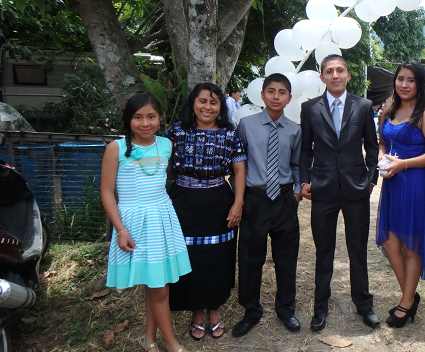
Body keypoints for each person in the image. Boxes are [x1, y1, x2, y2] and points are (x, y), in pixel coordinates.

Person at [101, 94, 191, 352]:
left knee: (157, 284)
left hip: (162, 220)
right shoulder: (115, 148)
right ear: (128, 120)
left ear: (159, 119)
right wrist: (120, 230)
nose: (145, 123)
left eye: (151, 117)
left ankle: (149, 340)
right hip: (133, 223)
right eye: (138, 117)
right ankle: (171, 343)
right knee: (158, 288)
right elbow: (107, 192)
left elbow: (163, 176)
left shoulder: (166, 145)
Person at [299, 54, 380, 331]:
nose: (335, 75)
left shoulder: (364, 105)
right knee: (324, 252)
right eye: (329, 71)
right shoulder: (309, 108)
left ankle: (364, 305)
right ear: (322, 77)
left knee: (358, 251)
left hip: (356, 188)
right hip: (322, 189)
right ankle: (320, 308)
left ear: (348, 75)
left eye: (340, 70)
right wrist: (304, 180)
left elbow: (372, 145)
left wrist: (371, 178)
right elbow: (305, 150)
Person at [164, 83, 246, 340]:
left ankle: (214, 310)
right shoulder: (176, 132)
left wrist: (238, 203)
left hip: (218, 199)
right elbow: (164, 167)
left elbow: (240, 171)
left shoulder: (229, 134)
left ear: (220, 107)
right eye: (202, 101)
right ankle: (196, 312)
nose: (207, 107)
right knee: (189, 256)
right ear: (192, 104)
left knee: (217, 257)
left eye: (213, 102)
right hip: (182, 201)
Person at [232, 73, 303, 336]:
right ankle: (251, 311)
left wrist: (295, 194)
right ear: (262, 95)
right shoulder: (246, 125)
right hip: (255, 199)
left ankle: (286, 309)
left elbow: (297, 166)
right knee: (251, 258)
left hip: (284, 200)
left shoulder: (295, 129)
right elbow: (238, 165)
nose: (276, 96)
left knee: (287, 258)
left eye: (282, 92)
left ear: (289, 97)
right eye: (270, 91)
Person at [376, 61, 425, 328]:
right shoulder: (389, 110)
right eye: (400, 79)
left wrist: (402, 164)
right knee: (390, 243)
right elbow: (382, 142)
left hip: (415, 183)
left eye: (411, 80)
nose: (404, 85)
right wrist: (383, 158)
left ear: (419, 85)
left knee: (410, 245)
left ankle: (405, 303)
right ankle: (410, 294)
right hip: (391, 182)